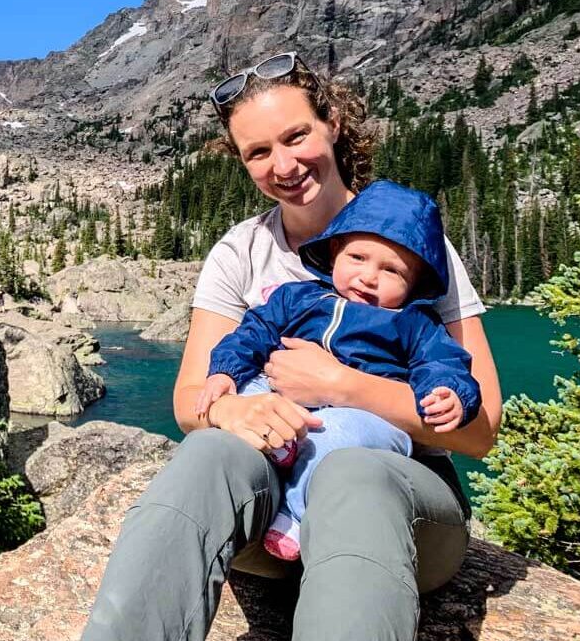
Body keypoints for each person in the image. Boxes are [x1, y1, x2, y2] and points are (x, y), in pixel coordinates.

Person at [80, 52, 502, 641]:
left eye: (296, 135)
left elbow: (480, 433)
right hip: (269, 517)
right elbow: (190, 402)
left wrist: (343, 387)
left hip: (400, 514)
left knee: (355, 474)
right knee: (207, 454)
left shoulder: (413, 242)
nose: (283, 164)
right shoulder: (240, 252)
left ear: (331, 122)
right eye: (258, 152)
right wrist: (231, 407)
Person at [196, 180, 482, 560]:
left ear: (414, 284)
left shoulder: (414, 324)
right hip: (285, 397)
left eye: (392, 271)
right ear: (335, 252)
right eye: (358, 258)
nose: (368, 277)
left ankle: (294, 515)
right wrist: (226, 373)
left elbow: (445, 364)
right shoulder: (298, 297)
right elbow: (255, 331)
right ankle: (280, 450)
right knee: (249, 394)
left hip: (364, 417)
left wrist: (451, 393)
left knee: (340, 440)